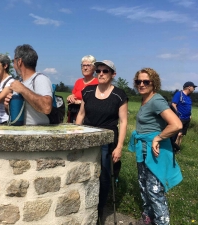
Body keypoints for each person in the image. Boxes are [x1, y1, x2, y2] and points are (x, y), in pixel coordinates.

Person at [75, 60, 128, 224]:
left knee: (104, 177)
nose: (101, 74)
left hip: (107, 141)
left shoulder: (119, 94)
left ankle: (98, 213)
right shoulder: (88, 91)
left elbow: (124, 122)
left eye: (106, 71)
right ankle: (82, 208)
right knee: (84, 174)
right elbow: (81, 115)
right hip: (88, 139)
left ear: (113, 75)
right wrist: (76, 136)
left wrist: (119, 147)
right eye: (98, 70)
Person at [129, 68, 182, 225]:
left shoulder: (156, 100)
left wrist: (157, 138)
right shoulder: (145, 99)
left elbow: (176, 124)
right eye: (139, 81)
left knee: (155, 192)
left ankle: (161, 222)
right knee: (145, 188)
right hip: (144, 152)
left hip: (155, 153)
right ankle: (148, 219)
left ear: (154, 83)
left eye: (146, 81)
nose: (142, 84)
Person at [4, 44, 52, 125]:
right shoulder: (19, 82)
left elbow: (46, 107)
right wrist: (8, 106)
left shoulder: (40, 79)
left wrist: (23, 89)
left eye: (13, 61)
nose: (13, 65)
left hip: (37, 135)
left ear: (19, 62)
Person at [66, 55, 98, 123]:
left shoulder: (97, 83)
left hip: (88, 118)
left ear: (94, 68)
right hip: (73, 114)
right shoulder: (78, 81)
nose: (85, 68)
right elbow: (74, 95)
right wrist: (70, 97)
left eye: (88, 65)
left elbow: (97, 103)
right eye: (83, 65)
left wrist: (80, 102)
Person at [171, 81, 197, 148]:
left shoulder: (188, 97)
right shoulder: (179, 94)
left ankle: (178, 148)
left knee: (181, 134)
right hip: (180, 118)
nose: (194, 89)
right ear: (189, 87)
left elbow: (188, 106)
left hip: (187, 118)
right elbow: (174, 104)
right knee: (178, 134)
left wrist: (190, 115)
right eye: (193, 87)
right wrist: (177, 115)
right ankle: (174, 148)